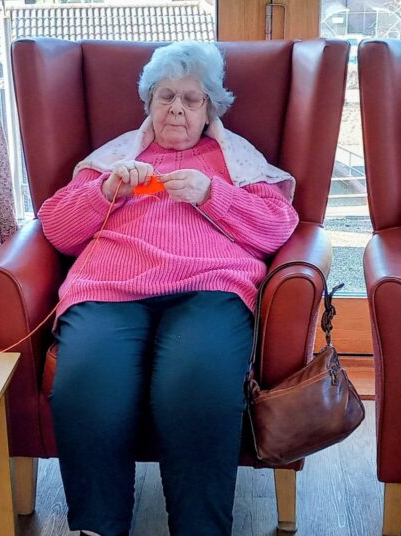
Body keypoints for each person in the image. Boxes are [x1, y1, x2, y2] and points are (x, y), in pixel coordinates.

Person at [38, 41, 298, 535]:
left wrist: (212, 194)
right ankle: (98, 526)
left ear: (210, 110)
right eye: (164, 97)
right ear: (148, 104)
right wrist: (104, 192)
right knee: (87, 383)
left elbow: (275, 227)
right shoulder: (116, 158)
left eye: (190, 99)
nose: (176, 108)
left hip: (209, 287)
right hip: (110, 286)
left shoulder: (233, 159)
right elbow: (57, 229)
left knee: (196, 389)